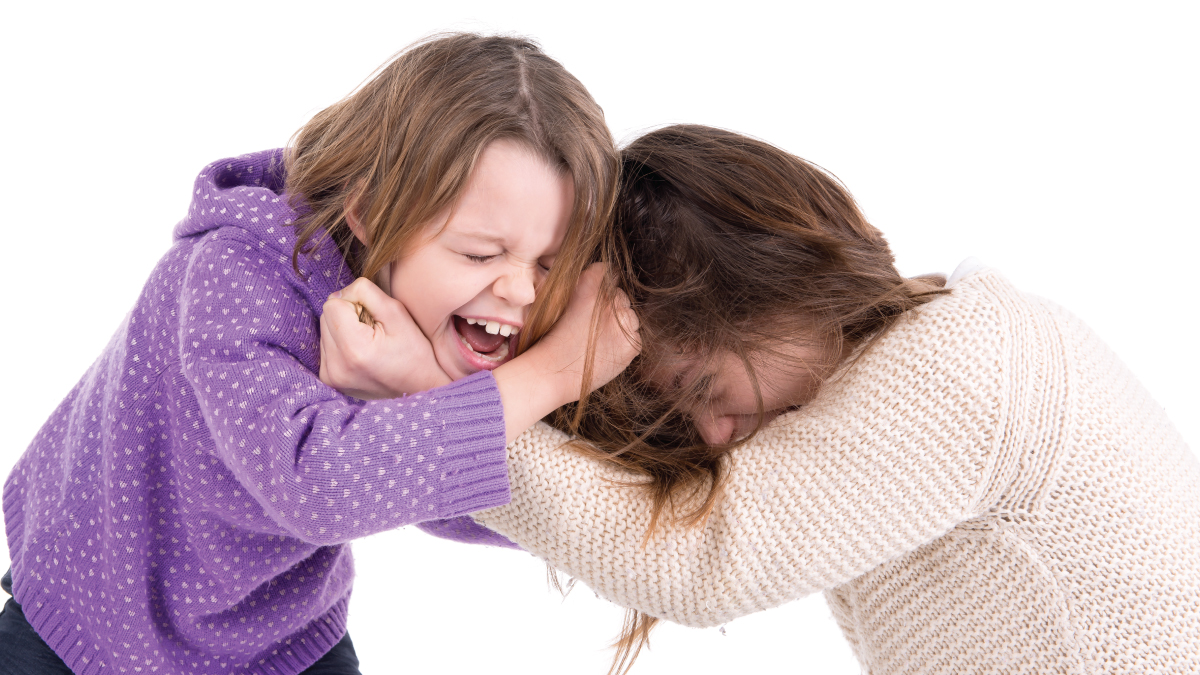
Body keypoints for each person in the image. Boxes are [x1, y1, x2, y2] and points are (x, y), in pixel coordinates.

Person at [0, 33, 637, 675]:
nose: (522, 290)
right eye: (479, 254)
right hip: (86, 613)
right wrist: (551, 373)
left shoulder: (454, 325)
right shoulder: (234, 273)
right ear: (367, 209)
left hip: (282, 632)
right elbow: (319, 488)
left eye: (554, 265)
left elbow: (456, 495)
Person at [467, 125, 1200, 674]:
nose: (716, 433)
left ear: (781, 296)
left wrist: (440, 405)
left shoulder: (962, 368)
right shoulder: (927, 354)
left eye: (703, 386)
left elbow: (699, 562)